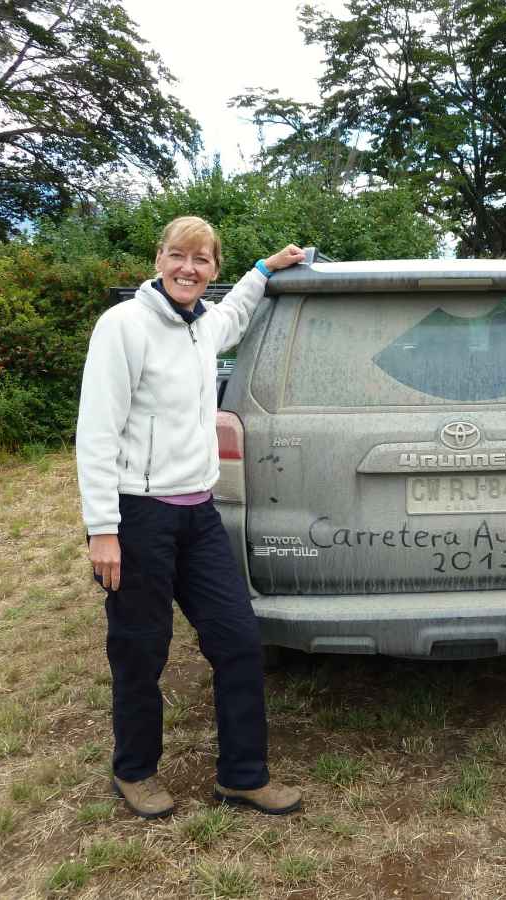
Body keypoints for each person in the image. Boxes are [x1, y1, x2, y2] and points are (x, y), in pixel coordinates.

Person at [76, 216, 306, 819]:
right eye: (178, 256)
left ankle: (242, 776)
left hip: (198, 514)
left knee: (237, 640)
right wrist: (103, 530)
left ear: (214, 271)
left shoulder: (205, 324)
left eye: (201, 260)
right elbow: (96, 433)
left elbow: (235, 315)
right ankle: (134, 771)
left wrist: (263, 270)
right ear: (158, 259)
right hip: (137, 517)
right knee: (139, 649)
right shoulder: (122, 326)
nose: (188, 268)